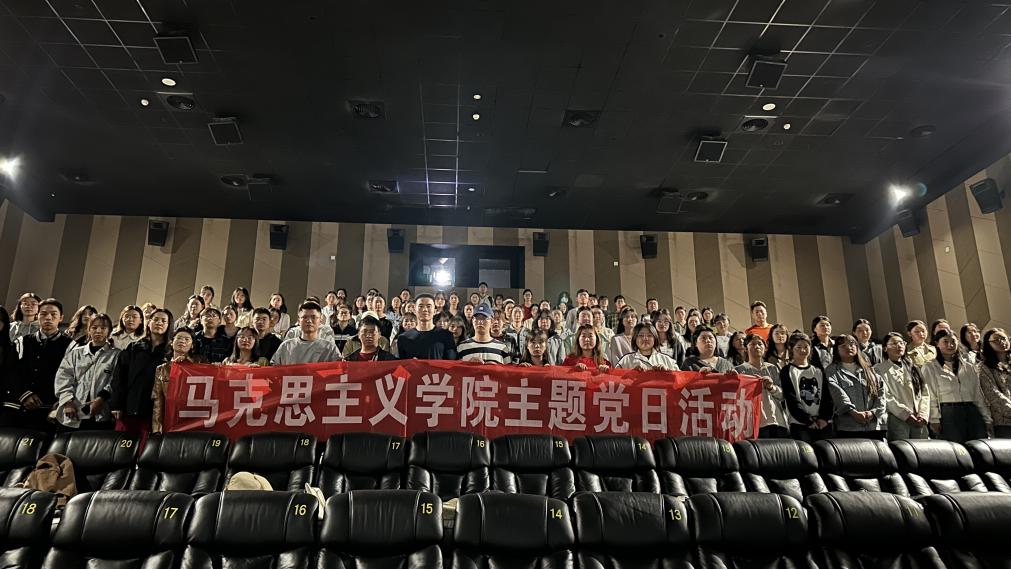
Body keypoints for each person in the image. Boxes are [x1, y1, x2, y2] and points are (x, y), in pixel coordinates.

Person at [5, 298, 72, 431]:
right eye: (43, 314)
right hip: (18, 405)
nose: (48, 318)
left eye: (53, 314)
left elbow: (72, 377)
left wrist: (62, 400)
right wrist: (24, 394)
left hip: (50, 408)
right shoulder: (22, 342)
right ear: (37, 316)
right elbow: (10, 371)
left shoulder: (71, 346)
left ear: (61, 318)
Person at [921, 329, 992, 443]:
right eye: (945, 341)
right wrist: (934, 419)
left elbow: (977, 394)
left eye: (953, 341)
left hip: (972, 411)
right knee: (957, 448)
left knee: (979, 445)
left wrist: (987, 418)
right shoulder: (930, 367)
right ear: (937, 343)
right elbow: (930, 394)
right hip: (948, 412)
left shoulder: (968, 367)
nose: (950, 345)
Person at [111, 307, 172, 439]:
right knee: (123, 445)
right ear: (148, 322)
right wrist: (117, 404)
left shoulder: (170, 352)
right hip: (130, 407)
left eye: (163, 321)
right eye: (155, 319)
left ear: (169, 325)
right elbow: (119, 377)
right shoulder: (134, 347)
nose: (159, 323)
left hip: (155, 411)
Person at [54, 313, 119, 430]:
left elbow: (115, 380)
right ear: (89, 330)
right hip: (73, 410)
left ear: (109, 331)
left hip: (100, 413)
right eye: (94, 327)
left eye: (103, 328)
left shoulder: (116, 355)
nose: (98, 331)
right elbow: (63, 377)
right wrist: (67, 401)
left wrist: (100, 399)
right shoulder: (75, 353)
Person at [826, 334, 887, 440]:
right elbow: (837, 393)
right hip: (848, 427)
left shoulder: (869, 369)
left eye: (852, 344)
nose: (849, 347)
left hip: (874, 425)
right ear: (836, 350)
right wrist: (853, 412)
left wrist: (873, 412)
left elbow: (881, 392)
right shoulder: (832, 370)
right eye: (843, 346)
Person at [780, 332, 833, 443]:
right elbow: (791, 398)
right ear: (791, 349)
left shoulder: (818, 371)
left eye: (806, 347)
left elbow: (826, 396)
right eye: (798, 347)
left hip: (821, 423)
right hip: (799, 423)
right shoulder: (787, 371)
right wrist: (808, 420)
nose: (803, 350)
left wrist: (824, 418)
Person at [875, 332, 930, 440]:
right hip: (896, 417)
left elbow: (924, 393)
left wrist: (923, 414)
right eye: (894, 343)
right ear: (885, 348)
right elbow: (885, 396)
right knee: (901, 447)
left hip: (919, 418)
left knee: (922, 447)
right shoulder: (878, 369)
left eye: (901, 343)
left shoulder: (913, 367)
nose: (899, 346)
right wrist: (906, 415)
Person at [736, 333, 789, 438]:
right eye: (752, 344)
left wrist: (771, 387)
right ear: (746, 348)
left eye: (760, 344)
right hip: (754, 422)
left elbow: (782, 395)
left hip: (776, 419)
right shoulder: (739, 370)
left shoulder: (772, 368)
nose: (757, 346)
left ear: (765, 348)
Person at [151, 327, 200, 433]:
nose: (182, 341)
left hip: (193, 419)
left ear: (192, 345)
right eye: (179, 338)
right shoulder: (162, 369)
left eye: (187, 339)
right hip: (171, 419)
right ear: (171, 342)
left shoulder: (199, 366)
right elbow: (158, 401)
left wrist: (186, 361)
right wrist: (157, 430)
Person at [271, 302, 341, 365]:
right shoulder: (286, 346)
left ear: (320, 320)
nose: (309, 321)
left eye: (313, 317)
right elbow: (274, 369)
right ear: (299, 320)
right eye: (305, 317)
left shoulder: (329, 348)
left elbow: (340, 368)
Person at [395, 294, 457, 360]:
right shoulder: (403, 338)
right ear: (414, 310)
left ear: (435, 311)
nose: (425, 309)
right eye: (421, 306)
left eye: (428, 306)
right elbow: (401, 364)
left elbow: (452, 363)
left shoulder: (446, 335)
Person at [979, 328, 1011, 438]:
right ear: (988, 344)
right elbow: (992, 394)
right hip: (1004, 421)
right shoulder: (984, 367)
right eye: (996, 340)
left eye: (1004, 338)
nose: (1002, 342)